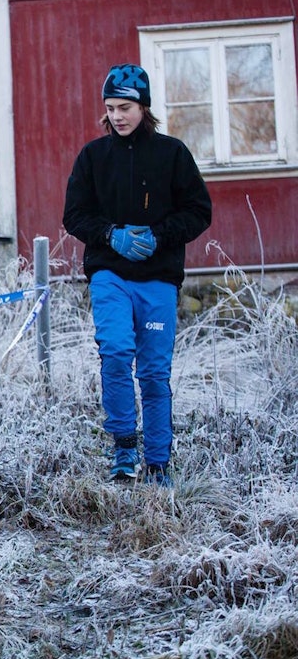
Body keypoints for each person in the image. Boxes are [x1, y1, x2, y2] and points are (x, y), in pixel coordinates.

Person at [63, 64, 211, 487]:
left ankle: (159, 463)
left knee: (152, 371)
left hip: (158, 279)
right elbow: (74, 214)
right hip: (110, 273)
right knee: (114, 351)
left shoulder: (173, 154)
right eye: (110, 108)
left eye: (125, 107)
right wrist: (111, 235)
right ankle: (124, 447)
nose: (117, 116)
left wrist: (159, 235)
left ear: (144, 107)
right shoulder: (93, 157)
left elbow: (199, 211)